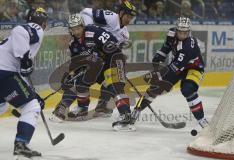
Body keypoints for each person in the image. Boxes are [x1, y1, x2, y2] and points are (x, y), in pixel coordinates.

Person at [51, 0, 137, 120]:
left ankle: (122, 112)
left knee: (113, 83)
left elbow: (113, 46)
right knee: (80, 80)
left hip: (110, 59)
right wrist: (71, 74)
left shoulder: (95, 31)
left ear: (83, 26)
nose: (76, 31)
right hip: (98, 61)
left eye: (79, 28)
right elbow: (77, 62)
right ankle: (82, 108)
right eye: (73, 29)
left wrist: (110, 46)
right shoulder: (74, 45)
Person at [131, 17, 208, 129]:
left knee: (188, 89)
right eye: (180, 32)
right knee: (155, 88)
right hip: (177, 65)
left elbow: (174, 69)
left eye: (185, 32)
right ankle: (135, 112)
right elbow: (166, 47)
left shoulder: (188, 46)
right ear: (176, 30)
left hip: (194, 68)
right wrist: (158, 58)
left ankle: (202, 121)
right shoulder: (171, 33)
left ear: (189, 31)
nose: (182, 34)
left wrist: (157, 75)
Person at [0, 7, 48, 158]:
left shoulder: (28, 36)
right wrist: (25, 58)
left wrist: (32, 93)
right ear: (44, 23)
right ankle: (21, 144)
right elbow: (19, 30)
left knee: (1, 106)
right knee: (31, 106)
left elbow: (22, 73)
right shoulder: (37, 29)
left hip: (5, 72)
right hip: (4, 72)